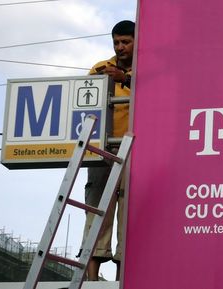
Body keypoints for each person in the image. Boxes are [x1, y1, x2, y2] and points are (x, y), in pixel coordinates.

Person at [81, 20, 135, 281]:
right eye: (116, 42)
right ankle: (92, 280)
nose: (120, 47)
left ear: (138, 41)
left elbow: (157, 95)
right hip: (102, 151)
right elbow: (82, 98)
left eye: (126, 41)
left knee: (128, 215)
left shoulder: (149, 72)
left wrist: (125, 79)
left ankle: (122, 280)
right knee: (96, 212)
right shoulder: (100, 68)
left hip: (134, 152)